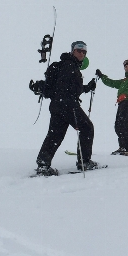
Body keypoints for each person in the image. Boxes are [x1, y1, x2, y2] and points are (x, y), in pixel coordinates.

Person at [31, 40, 98, 174]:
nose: (82, 53)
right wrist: (75, 95)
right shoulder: (70, 65)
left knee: (55, 135)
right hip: (68, 104)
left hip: (57, 105)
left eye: (84, 51)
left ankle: (43, 164)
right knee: (87, 128)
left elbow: (65, 87)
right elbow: (69, 88)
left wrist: (86, 88)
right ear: (72, 51)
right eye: (79, 50)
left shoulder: (63, 65)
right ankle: (84, 162)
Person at [95, 55, 128, 156]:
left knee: (122, 123)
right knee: (118, 125)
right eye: (125, 66)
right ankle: (123, 147)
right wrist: (102, 76)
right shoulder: (124, 81)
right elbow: (111, 82)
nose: (127, 68)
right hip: (122, 102)